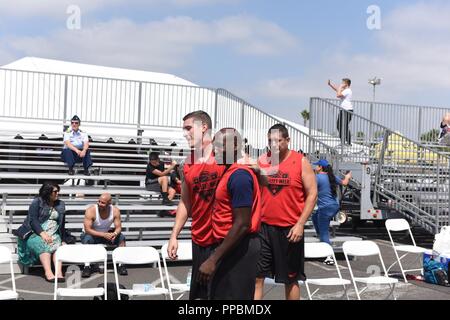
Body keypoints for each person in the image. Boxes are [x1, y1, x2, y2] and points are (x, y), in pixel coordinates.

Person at [167, 111, 227, 300]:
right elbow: (185, 202)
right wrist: (174, 235)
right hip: (199, 239)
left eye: (188, 128)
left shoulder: (225, 155)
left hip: (224, 239)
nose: (185, 134)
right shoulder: (187, 163)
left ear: (204, 127)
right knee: (200, 296)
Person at [254, 124, 318, 300]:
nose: (273, 145)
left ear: (288, 140)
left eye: (278, 141)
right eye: (270, 141)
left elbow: (312, 194)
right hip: (264, 228)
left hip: (290, 229)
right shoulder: (262, 160)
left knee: (291, 280)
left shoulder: (300, 161)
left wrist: (300, 224)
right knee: (257, 277)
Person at [198, 128, 262, 300]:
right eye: (214, 145)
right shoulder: (230, 172)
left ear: (235, 147)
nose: (215, 150)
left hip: (239, 247)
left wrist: (213, 259)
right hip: (231, 246)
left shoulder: (239, 176)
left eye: (219, 145)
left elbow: (242, 223)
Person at [16, 182, 68, 282]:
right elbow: (33, 220)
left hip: (54, 232)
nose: (58, 194)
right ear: (48, 192)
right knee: (43, 244)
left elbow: (62, 224)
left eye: (58, 191)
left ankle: (58, 273)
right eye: (55, 192)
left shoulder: (61, 204)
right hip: (34, 233)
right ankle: (48, 273)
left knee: (59, 247)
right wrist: (43, 234)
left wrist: (63, 239)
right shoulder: (37, 202)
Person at [312, 159, 352, 265]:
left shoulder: (317, 177)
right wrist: (347, 176)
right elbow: (344, 183)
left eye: (316, 166)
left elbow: (310, 189)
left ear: (320, 167)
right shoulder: (332, 176)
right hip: (334, 207)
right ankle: (320, 234)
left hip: (325, 208)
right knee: (314, 216)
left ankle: (329, 256)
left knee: (325, 233)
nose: (315, 167)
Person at [80, 193, 127, 278]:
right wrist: (103, 234)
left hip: (106, 234)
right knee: (88, 238)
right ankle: (87, 266)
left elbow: (119, 228)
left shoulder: (115, 210)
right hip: (92, 234)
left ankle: (121, 265)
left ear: (109, 203)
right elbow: (87, 229)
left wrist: (114, 234)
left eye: (102, 202)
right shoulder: (91, 210)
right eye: (99, 201)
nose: (99, 203)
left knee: (121, 238)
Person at [328, 78, 353, 146]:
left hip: (347, 110)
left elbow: (338, 95)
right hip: (343, 110)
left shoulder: (348, 90)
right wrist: (330, 85)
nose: (341, 84)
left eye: (343, 83)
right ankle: (343, 142)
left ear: (346, 84)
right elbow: (337, 90)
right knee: (339, 125)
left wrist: (340, 87)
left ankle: (348, 142)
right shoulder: (345, 90)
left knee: (344, 126)